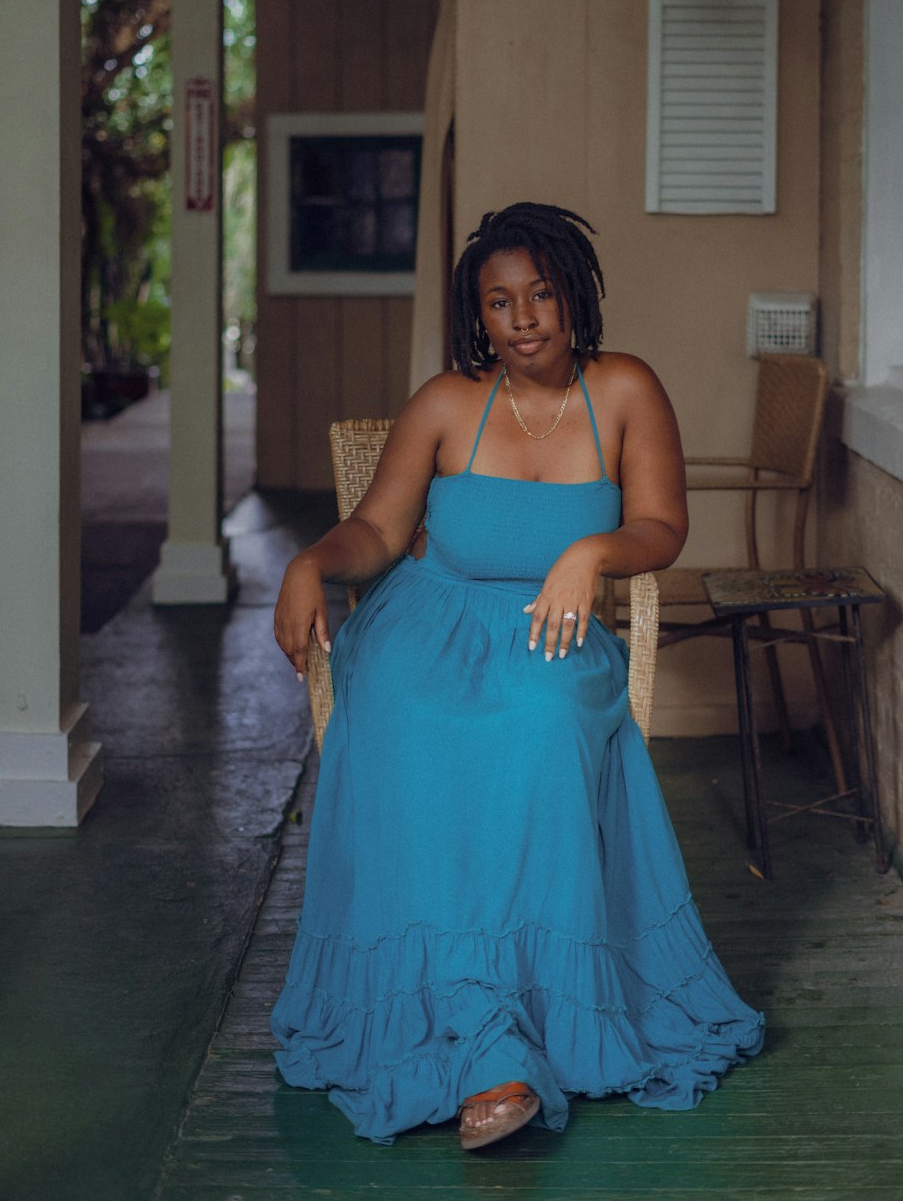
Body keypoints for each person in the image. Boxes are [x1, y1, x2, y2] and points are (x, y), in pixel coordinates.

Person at [271, 202, 764, 1150]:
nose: (525, 317)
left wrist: (588, 553)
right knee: (405, 722)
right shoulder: (447, 404)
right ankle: (473, 1034)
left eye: (542, 293)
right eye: (501, 303)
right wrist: (310, 564)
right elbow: (376, 533)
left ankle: (521, 1025)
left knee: (539, 727)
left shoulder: (624, 389)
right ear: (479, 317)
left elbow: (663, 527)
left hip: (556, 624)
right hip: (431, 620)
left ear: (575, 295)